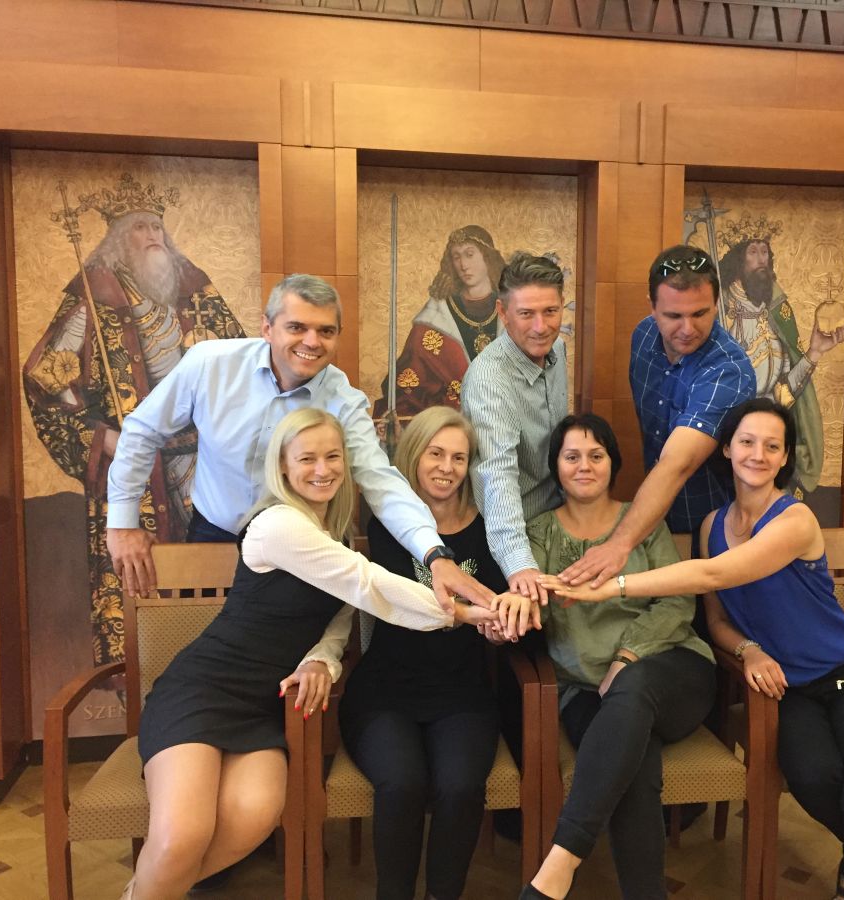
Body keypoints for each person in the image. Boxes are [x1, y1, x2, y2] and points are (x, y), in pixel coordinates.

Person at [541, 398, 844, 900]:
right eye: (747, 442)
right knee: (813, 780)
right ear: (726, 448)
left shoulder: (796, 519)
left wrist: (611, 585)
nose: (758, 454)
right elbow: (717, 620)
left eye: (772, 446)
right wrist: (749, 650)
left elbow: (712, 575)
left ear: (785, 457)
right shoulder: (711, 526)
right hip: (788, 688)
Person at [126, 408, 506, 900]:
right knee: (182, 838)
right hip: (202, 692)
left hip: (265, 707)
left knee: (251, 820)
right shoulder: (278, 524)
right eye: (307, 459)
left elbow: (338, 618)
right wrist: (464, 612)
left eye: (333, 457)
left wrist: (321, 661)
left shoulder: (335, 535)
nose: (322, 469)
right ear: (283, 467)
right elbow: (364, 583)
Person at [106, 273, 497, 614]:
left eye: (326, 331)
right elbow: (142, 431)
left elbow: (381, 483)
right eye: (297, 327)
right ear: (267, 328)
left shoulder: (344, 401)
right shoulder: (209, 364)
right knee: (208, 641)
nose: (312, 341)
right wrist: (122, 524)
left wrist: (435, 555)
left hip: (301, 546)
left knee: (289, 660)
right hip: (215, 532)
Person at [297, 405, 534, 900]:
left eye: (459, 458)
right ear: (413, 456)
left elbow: (501, 609)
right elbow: (397, 602)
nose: (447, 468)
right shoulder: (384, 523)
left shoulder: (491, 530)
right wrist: (472, 613)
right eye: (435, 454)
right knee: (402, 783)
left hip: (462, 694)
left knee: (460, 786)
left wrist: (502, 626)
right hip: (385, 692)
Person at [24, 173, 246, 665]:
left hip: (205, 460)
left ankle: (221, 668)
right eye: (139, 228)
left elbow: (246, 365)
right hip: (136, 468)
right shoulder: (95, 298)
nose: (152, 237)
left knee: (217, 572)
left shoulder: (196, 290)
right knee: (145, 578)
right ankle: (146, 681)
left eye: (156, 227)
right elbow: (46, 379)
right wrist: (99, 437)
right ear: (117, 241)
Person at [519, 413, 715, 900]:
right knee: (635, 766)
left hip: (673, 671)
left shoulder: (642, 523)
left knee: (635, 685)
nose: (584, 466)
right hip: (583, 690)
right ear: (555, 466)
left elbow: (678, 601)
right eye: (572, 456)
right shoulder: (538, 533)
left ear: (613, 462)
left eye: (596, 455)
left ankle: (559, 863)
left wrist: (627, 656)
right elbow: (532, 604)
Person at [557, 244, 755, 595]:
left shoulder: (728, 370)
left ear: (716, 303)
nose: (687, 328)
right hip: (657, 523)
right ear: (652, 306)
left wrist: (618, 545)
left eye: (700, 313)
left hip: (718, 532)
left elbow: (676, 464)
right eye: (673, 316)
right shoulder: (644, 335)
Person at [462, 252, 569, 604]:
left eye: (550, 311)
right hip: (510, 533)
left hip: (557, 519)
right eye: (526, 314)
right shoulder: (489, 379)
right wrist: (519, 565)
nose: (541, 326)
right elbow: (497, 476)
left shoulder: (558, 349)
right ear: (503, 312)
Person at [717, 234, 844, 494]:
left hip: (769, 436)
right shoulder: (721, 312)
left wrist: (814, 353)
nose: (761, 259)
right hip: (731, 437)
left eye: (764, 252)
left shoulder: (775, 314)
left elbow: (782, 394)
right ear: (738, 261)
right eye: (753, 252)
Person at [373, 225, 507, 421]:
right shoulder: (435, 316)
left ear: (487, 257)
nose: (463, 265)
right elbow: (409, 383)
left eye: (470, 254)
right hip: (449, 425)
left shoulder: (512, 309)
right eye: (456, 257)